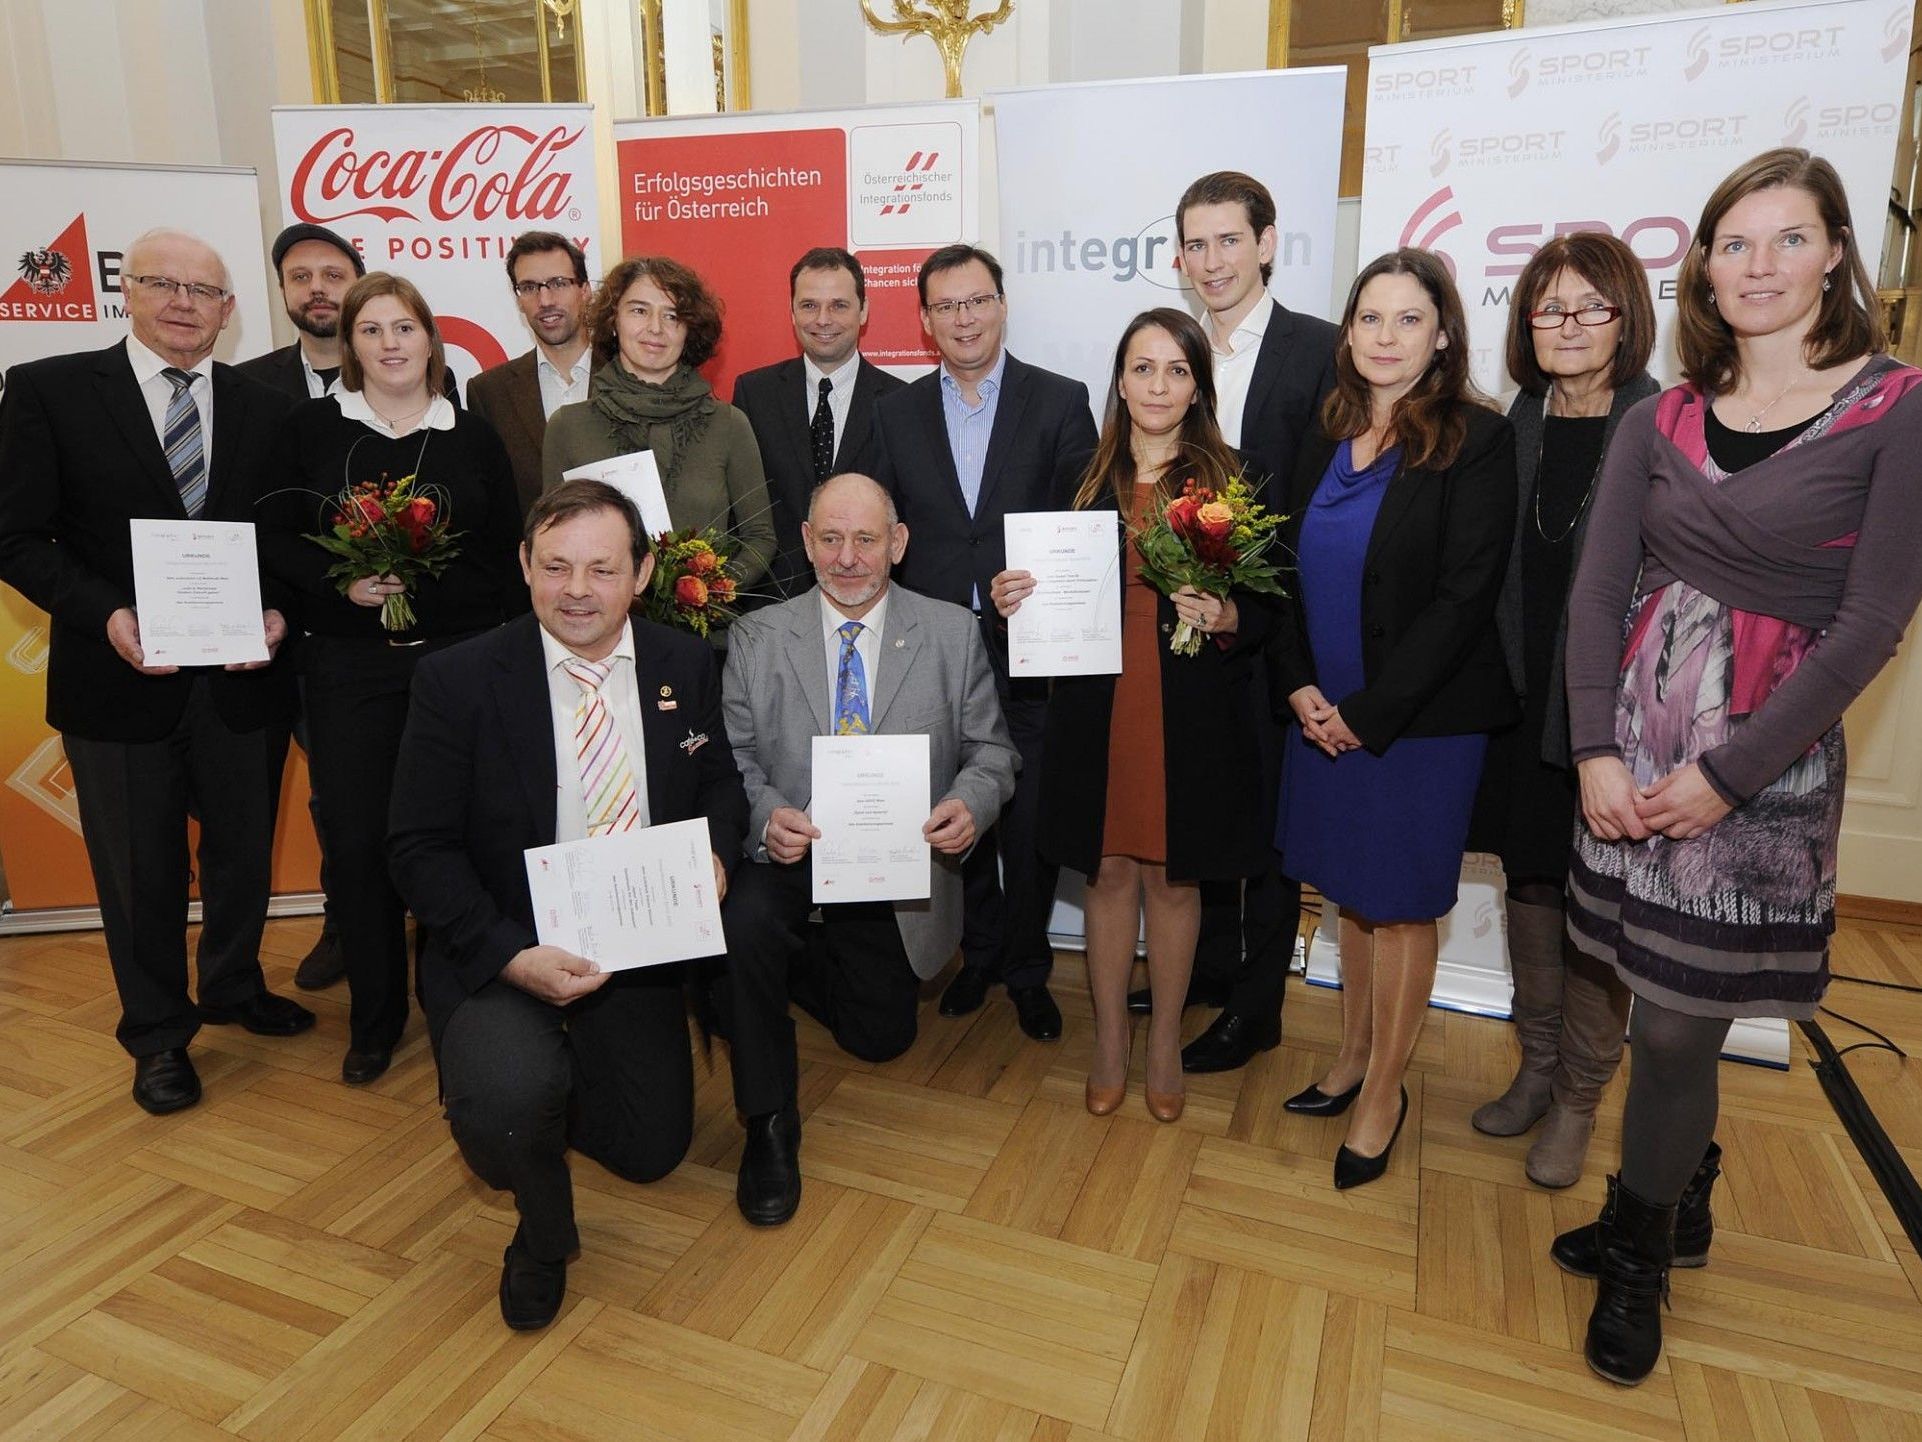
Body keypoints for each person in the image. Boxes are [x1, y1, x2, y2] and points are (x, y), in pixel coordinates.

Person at [1555, 148, 1922, 1387]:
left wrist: (1730, 773)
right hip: (1632, 755)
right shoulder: (1656, 413)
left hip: (1758, 767)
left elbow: (1872, 621)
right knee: (1649, 1001)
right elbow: (1598, 586)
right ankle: (1677, 1182)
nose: (1757, 265)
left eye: (1787, 239)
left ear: (1833, 255)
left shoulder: (1894, 405)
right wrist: (1594, 745)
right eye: (1732, 241)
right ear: (1702, 262)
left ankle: (1638, 1247)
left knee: (1670, 1026)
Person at [388, 480, 747, 1332]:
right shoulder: (456, 679)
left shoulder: (683, 664)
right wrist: (511, 957)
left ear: (644, 572)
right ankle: (542, 1235)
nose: (576, 590)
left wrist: (715, 852)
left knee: (652, 1151)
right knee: (507, 1104)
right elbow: (415, 849)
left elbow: (720, 781)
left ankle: (553, 1082)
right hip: (502, 946)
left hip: (634, 946)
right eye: (555, 567)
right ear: (523, 566)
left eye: (600, 568)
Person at [0, 228, 312, 1114]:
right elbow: (16, 536)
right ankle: (158, 1036)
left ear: (228, 311)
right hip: (116, 679)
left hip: (243, 680)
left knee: (241, 855)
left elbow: (286, 542)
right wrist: (107, 614)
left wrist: (282, 612)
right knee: (137, 873)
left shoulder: (265, 408)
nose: (183, 302)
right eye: (162, 284)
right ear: (124, 293)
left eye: (203, 291)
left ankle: (233, 984)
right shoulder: (49, 391)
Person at [1271, 248, 1518, 1191]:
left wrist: (1366, 715)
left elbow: (1463, 598)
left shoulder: (1474, 438)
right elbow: (1280, 570)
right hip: (1322, 709)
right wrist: (1298, 686)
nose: (1385, 337)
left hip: (1417, 723)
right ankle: (1349, 1057)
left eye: (1408, 319)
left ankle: (1385, 1091)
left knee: (1402, 905)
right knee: (1349, 895)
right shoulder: (1322, 431)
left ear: (1444, 333)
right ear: (1348, 333)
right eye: (1369, 318)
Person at [718, 472, 1017, 1226]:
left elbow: (993, 752)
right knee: (745, 926)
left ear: (899, 545)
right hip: (791, 851)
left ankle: (782, 976)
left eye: (866, 539)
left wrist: (967, 805)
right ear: (807, 544)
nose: (848, 558)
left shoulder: (950, 631)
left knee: (879, 1039)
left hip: (894, 867)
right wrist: (766, 814)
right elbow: (735, 757)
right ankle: (769, 1123)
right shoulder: (758, 636)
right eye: (830, 538)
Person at [257, 272, 525, 1086]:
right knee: (362, 845)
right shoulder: (309, 430)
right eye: (369, 331)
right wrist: (346, 584)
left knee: (465, 841)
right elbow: (272, 535)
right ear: (349, 344)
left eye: (403, 328)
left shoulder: (471, 435)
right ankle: (375, 1020)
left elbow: (507, 560)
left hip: (461, 667)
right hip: (348, 668)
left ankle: (467, 1003)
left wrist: (420, 583)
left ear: (430, 339)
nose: (389, 344)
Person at [1010, 309, 1275, 1123]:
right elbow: (1032, 586)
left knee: (1174, 877)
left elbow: (1273, 607)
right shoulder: (1076, 477)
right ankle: (1110, 1045)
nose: (1157, 386)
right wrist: (1008, 600)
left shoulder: (1233, 481)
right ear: (1119, 381)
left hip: (1188, 714)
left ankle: (1163, 1041)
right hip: (1098, 709)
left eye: (1176, 370)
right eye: (1141, 368)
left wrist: (1231, 619)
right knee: (1109, 870)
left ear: (1198, 385)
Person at [865, 244, 1098, 1041]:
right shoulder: (893, 413)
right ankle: (982, 952)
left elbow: (1083, 526)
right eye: (946, 306)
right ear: (925, 321)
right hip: (926, 654)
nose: (964, 318)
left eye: (978, 301)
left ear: (1002, 305)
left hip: (1029, 652)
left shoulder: (1061, 401)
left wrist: (1029, 579)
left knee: (1028, 818)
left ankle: (1030, 968)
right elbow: (876, 523)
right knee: (956, 815)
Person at [1466, 234, 1658, 1190]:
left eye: (1591, 307)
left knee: (1597, 914)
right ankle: (1536, 1065)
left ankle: (1582, 1097)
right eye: (1549, 308)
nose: (1569, 325)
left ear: (1628, 315)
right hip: (1520, 698)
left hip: (1610, 724)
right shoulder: (1522, 418)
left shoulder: (1662, 423)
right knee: (1532, 885)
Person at [1158, 171, 1339, 1074]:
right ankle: (1208, 970)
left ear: (1267, 242)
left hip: (1282, 627)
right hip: (1189, 629)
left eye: (1229, 240)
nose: (1212, 261)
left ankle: (1256, 1006)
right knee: (1208, 806)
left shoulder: (1323, 350)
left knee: (1270, 828)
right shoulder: (1176, 349)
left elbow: (1327, 502)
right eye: (1195, 244)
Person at [541, 255, 775, 605]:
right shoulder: (568, 426)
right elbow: (553, 538)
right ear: (613, 320)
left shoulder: (728, 424)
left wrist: (705, 594)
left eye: (672, 316)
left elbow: (760, 537)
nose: (655, 328)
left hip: (702, 639)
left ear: (689, 330)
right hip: (597, 629)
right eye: (639, 310)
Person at [732, 248, 906, 603]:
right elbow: (742, 509)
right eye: (809, 305)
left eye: (839, 305)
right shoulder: (754, 393)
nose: (823, 319)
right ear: (791, 311)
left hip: (869, 600)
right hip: (772, 605)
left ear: (864, 311)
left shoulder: (901, 403)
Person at [239, 222, 460, 407]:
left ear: (359, 287)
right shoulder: (247, 384)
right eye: (300, 277)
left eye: (333, 275)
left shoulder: (422, 375)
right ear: (282, 290)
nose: (317, 288)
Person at [468, 231, 595, 518]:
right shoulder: (489, 392)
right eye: (529, 287)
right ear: (519, 299)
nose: (545, 299)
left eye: (559, 283)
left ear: (585, 290)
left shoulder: (628, 374)